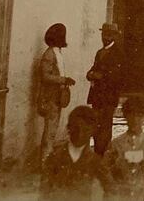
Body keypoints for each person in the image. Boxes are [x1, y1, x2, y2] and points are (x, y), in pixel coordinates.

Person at [101, 96, 144, 200]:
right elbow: (104, 173)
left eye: (140, 115)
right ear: (125, 116)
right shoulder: (116, 144)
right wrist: (117, 166)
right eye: (131, 114)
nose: (135, 119)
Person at [40, 105, 101, 201]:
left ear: (93, 131)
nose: (80, 135)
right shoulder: (54, 158)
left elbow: (111, 191)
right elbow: (44, 193)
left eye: (85, 130)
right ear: (68, 128)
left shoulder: (96, 162)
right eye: (76, 129)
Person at [38, 23, 76, 164]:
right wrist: (63, 79)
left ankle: (46, 161)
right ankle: (44, 162)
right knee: (50, 131)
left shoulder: (57, 52)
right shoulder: (49, 54)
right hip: (50, 97)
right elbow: (45, 76)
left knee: (52, 130)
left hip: (57, 96)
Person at [86, 22, 124, 156]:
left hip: (108, 96)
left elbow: (115, 76)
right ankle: (97, 152)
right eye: (103, 34)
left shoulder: (118, 53)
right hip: (97, 96)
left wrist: (97, 75)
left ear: (114, 36)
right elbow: (94, 69)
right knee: (96, 125)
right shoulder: (99, 52)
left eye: (108, 35)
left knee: (105, 126)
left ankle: (103, 155)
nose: (105, 37)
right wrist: (90, 74)